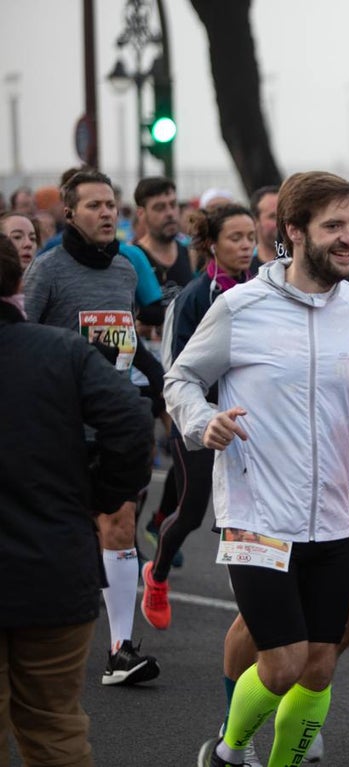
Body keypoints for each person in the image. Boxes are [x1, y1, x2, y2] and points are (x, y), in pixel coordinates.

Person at [166, 171, 349, 767]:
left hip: (332, 513)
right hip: (257, 514)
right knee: (282, 661)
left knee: (318, 669)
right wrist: (202, 421)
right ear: (294, 232)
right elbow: (182, 379)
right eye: (334, 227)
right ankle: (228, 749)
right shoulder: (240, 308)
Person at [0, 233, 154, 767]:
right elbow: (133, 424)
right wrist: (100, 495)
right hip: (56, 567)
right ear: (18, 282)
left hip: (53, 564)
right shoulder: (62, 351)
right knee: (56, 729)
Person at [21, 167, 162, 687]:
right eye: (95, 206)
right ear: (70, 213)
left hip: (116, 417)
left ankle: (120, 649)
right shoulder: (47, 271)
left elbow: (127, 340)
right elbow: (21, 341)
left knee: (119, 522)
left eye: (111, 205)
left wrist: (159, 381)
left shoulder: (125, 268)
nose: (107, 214)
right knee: (71, 535)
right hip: (60, 424)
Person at [141, 203, 257, 631]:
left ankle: (255, 603)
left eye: (251, 238)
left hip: (250, 422)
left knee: (250, 512)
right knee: (191, 512)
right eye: (235, 238)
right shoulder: (192, 298)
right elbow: (176, 372)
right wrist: (198, 419)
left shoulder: (264, 286)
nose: (246, 246)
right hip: (202, 424)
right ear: (211, 244)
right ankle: (157, 574)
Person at [134, 176, 195, 289]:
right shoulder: (133, 259)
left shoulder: (190, 254)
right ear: (141, 214)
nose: (170, 213)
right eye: (159, 207)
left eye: (173, 205)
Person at [250, 185, 280, 267]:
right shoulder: (243, 267)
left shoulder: (304, 264)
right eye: (273, 217)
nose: (281, 222)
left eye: (284, 215)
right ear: (255, 221)